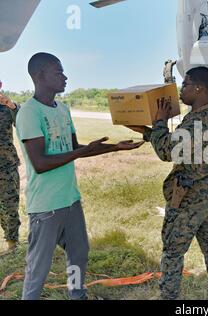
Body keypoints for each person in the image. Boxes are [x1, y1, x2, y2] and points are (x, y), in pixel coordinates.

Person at [16, 52, 144, 300]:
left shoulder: (62, 109)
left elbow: (76, 149)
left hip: (71, 200)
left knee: (79, 254)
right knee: (38, 269)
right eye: (58, 72)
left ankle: (78, 295)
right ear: (40, 76)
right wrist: (82, 151)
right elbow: (40, 163)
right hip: (46, 205)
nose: (65, 77)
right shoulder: (29, 113)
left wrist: (116, 147)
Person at [126, 67, 208, 300]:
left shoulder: (196, 121)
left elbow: (167, 151)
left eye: (185, 85)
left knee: (173, 250)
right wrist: (147, 132)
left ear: (199, 88)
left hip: (191, 197)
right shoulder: (205, 116)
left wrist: (159, 122)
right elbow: (179, 144)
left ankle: (168, 296)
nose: (181, 90)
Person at [0, 92, 21, 256]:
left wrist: (13, 106)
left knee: (9, 205)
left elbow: (23, 123)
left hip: (6, 166)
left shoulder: (7, 108)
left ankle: (12, 243)